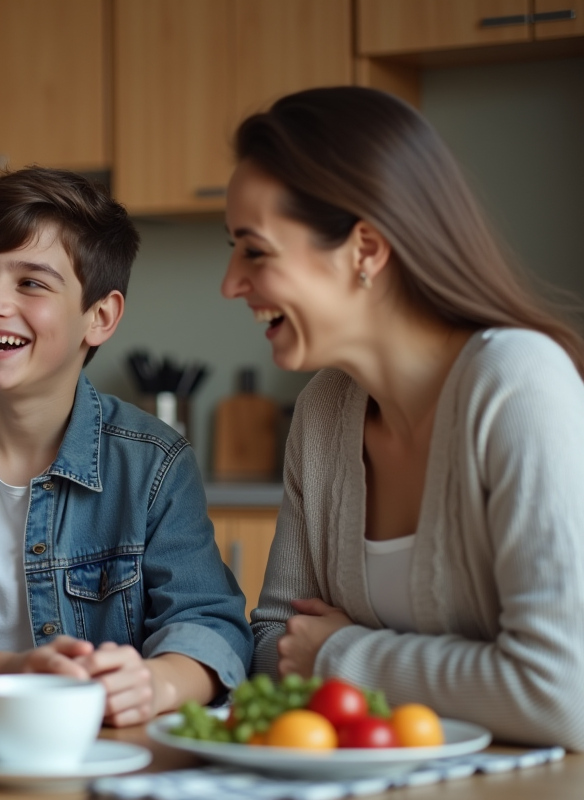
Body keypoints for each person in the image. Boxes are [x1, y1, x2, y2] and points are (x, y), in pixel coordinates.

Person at [221, 86, 584, 749]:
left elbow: (564, 692)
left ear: (364, 248)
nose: (231, 282)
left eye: (255, 250)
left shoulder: (518, 383)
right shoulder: (323, 412)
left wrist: (341, 654)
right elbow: (276, 651)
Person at [0, 167, 252, 727]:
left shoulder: (153, 462)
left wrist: (155, 684)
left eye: (31, 283)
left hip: (99, 747)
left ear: (99, 317)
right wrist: (12, 672)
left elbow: (211, 626)